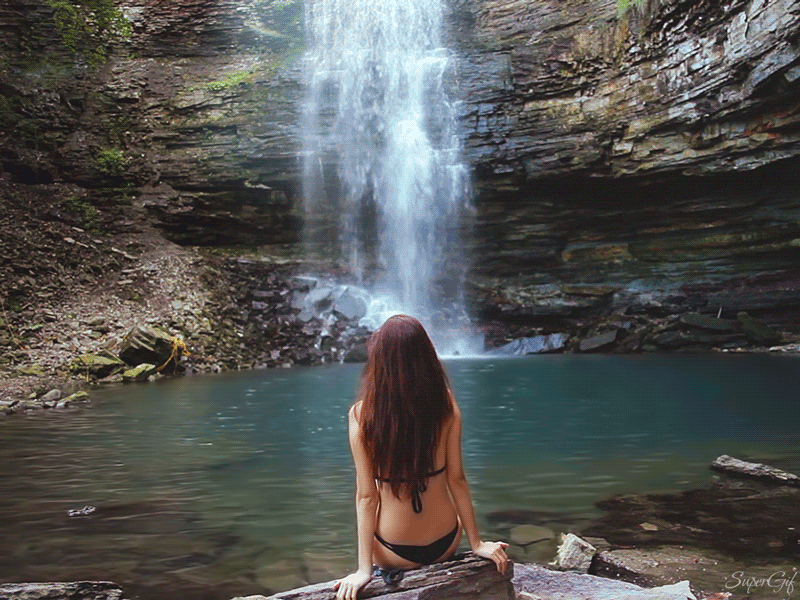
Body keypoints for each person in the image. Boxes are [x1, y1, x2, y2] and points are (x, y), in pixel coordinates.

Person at [334, 314, 510, 600]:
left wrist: (363, 570)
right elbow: (457, 479)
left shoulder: (361, 415)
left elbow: (367, 497)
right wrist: (476, 543)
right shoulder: (445, 403)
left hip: (394, 551)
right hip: (445, 543)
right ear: (427, 357)